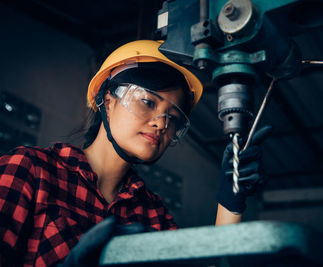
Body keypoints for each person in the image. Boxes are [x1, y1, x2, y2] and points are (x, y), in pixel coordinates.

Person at [0, 40, 270, 267]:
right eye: (148, 102)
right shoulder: (30, 170)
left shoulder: (154, 214)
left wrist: (229, 205)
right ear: (107, 102)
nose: (162, 123)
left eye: (173, 117)